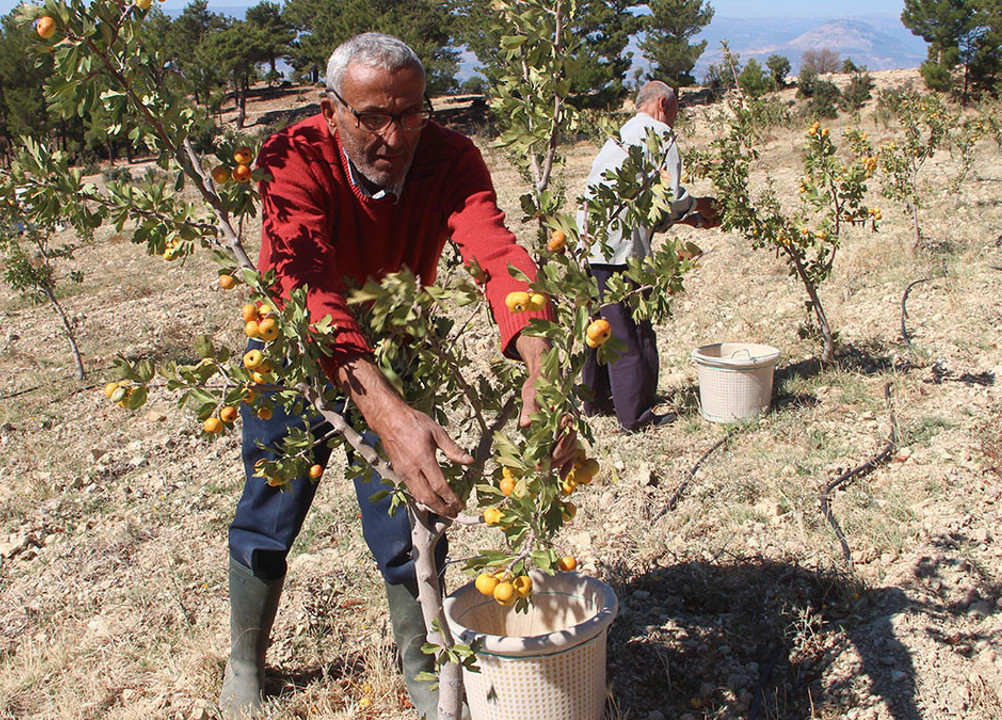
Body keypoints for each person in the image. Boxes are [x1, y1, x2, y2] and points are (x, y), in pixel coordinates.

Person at [220, 33, 559, 719]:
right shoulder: (290, 158)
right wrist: (387, 415)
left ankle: (420, 657)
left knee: (412, 514)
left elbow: (495, 250)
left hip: (398, 355)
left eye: (411, 112)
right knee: (270, 509)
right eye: (373, 116)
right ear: (331, 106)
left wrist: (542, 362)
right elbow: (306, 285)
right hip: (292, 357)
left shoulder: (449, 157)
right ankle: (245, 658)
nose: (394, 134)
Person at [577, 81, 720, 433]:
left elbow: (646, 200)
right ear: (662, 105)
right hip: (623, 251)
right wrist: (699, 206)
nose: (674, 120)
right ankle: (635, 416)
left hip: (590, 242)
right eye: (675, 111)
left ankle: (595, 400)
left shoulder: (620, 136)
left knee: (601, 326)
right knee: (629, 331)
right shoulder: (660, 136)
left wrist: (690, 218)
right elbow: (669, 198)